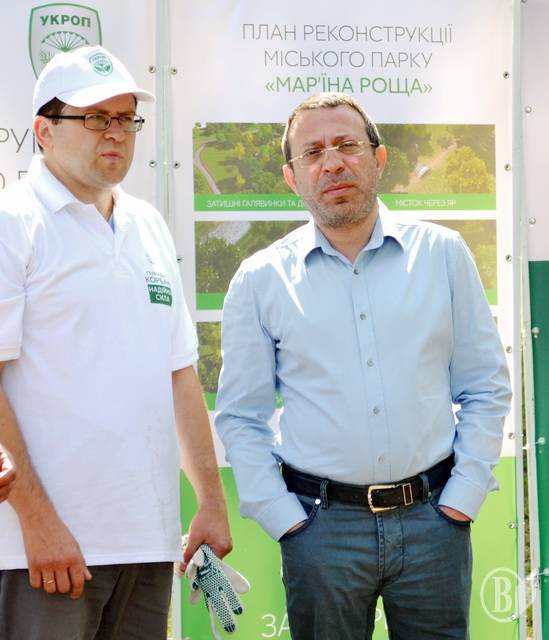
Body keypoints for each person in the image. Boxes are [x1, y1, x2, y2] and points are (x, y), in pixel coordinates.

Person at [215, 92, 511, 640]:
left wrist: (463, 498)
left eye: (347, 145)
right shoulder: (260, 281)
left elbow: (486, 386)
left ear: (378, 158)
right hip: (321, 531)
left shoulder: (443, 255)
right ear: (292, 177)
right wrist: (286, 520)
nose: (332, 163)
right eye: (313, 152)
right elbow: (240, 417)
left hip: (433, 523)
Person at [0, 45, 231, 640]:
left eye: (126, 118)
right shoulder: (12, 222)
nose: (116, 133)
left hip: (148, 543)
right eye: (96, 117)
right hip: (43, 553)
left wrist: (209, 500)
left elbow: (178, 373)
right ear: (43, 131)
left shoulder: (147, 224)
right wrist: (37, 522)